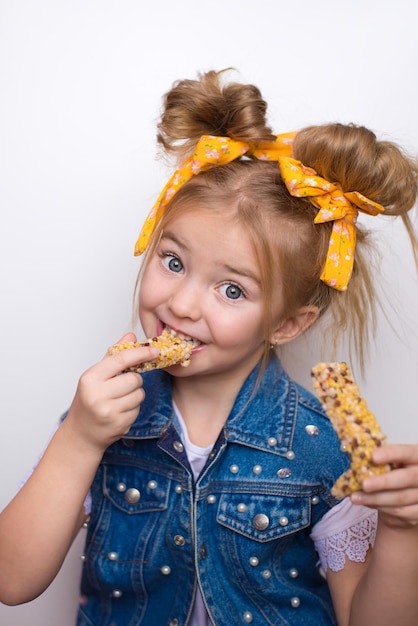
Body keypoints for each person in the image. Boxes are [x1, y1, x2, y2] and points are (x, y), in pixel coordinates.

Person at [1, 69, 418, 626]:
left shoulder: (322, 447)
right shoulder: (99, 417)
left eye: (231, 289)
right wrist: (79, 436)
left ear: (288, 324)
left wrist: (401, 531)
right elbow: (12, 581)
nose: (182, 304)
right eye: (173, 262)